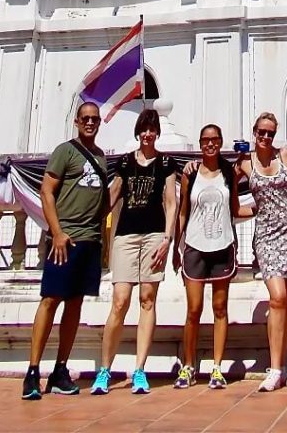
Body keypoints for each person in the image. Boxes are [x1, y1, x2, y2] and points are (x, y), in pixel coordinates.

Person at [22, 100, 108, 400]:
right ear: (76, 121)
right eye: (85, 118)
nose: (90, 123)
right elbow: (47, 191)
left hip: (91, 239)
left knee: (75, 303)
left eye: (94, 119)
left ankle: (60, 368)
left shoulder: (101, 157)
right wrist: (57, 233)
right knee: (50, 300)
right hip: (65, 240)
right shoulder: (65, 151)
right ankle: (33, 371)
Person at [91, 108, 178, 396]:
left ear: (158, 133)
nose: (148, 134)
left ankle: (139, 369)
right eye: (144, 129)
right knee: (120, 300)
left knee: (147, 299)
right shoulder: (126, 163)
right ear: (138, 132)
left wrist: (168, 238)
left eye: (152, 129)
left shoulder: (166, 162)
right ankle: (104, 369)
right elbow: (113, 194)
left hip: (154, 235)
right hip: (126, 235)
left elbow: (170, 201)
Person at [237, 112, 287, 392]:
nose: (266, 137)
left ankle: (282, 365)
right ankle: (274, 368)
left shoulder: (285, 156)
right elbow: (228, 188)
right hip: (266, 235)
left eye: (270, 133)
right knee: (276, 298)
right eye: (261, 132)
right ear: (254, 132)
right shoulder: (244, 163)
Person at [173, 123, 240, 390]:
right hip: (195, 245)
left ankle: (216, 367)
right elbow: (182, 212)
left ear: (220, 142)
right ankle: (188, 366)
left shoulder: (229, 173)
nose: (210, 144)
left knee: (220, 309)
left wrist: (263, 209)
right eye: (206, 140)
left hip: (222, 244)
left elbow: (235, 207)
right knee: (193, 309)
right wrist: (176, 247)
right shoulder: (190, 173)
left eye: (215, 140)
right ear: (200, 144)